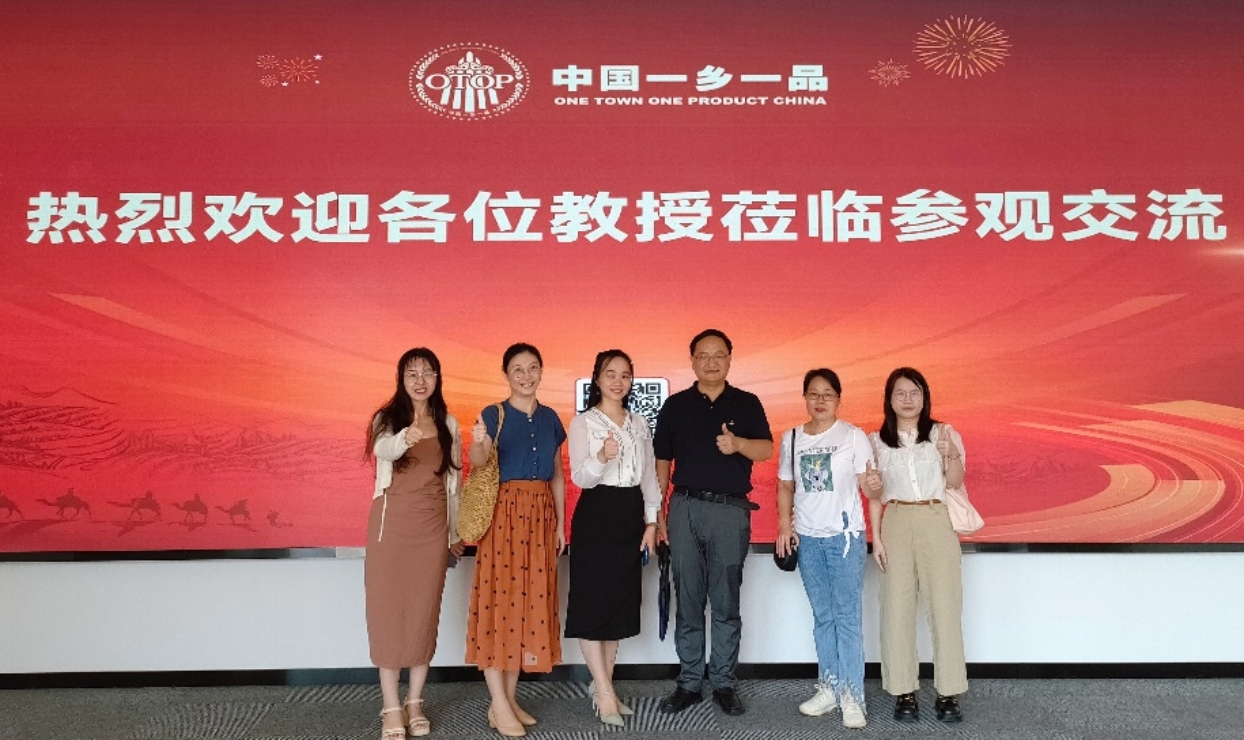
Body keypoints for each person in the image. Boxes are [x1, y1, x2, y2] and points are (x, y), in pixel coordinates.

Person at [654, 329, 773, 716]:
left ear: (729, 360)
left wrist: (738, 445)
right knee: (688, 599)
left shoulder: (747, 403)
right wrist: (658, 513)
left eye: (718, 355)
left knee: (725, 601)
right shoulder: (675, 406)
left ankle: (723, 682)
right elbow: (662, 462)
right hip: (685, 508)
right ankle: (689, 682)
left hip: (729, 511)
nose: (711, 362)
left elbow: (766, 449)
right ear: (692, 361)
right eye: (703, 355)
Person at [465, 343, 567, 738]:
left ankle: (507, 701)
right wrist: (478, 441)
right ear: (506, 375)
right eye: (518, 369)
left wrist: (559, 525)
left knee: (525, 607)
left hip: (540, 515)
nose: (526, 376)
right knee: (499, 606)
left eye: (532, 367)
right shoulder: (494, 414)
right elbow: (478, 461)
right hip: (504, 516)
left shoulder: (550, 418)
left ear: (541, 371)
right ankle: (498, 702)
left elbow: (556, 475)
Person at [365, 348, 465, 740]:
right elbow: (383, 450)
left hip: (432, 528)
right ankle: (391, 705)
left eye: (428, 373)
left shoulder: (448, 423)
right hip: (391, 527)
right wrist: (405, 436)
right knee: (387, 614)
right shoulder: (386, 420)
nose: (420, 380)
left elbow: (454, 485)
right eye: (412, 373)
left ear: (438, 378)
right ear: (401, 379)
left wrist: (454, 534)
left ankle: (415, 701)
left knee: (425, 613)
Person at [865, 367, 968, 723]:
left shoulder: (943, 433)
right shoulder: (876, 441)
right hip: (895, 520)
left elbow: (955, 482)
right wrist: (877, 538)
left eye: (915, 393)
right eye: (900, 393)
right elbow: (874, 494)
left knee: (945, 607)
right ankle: (903, 690)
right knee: (896, 607)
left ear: (925, 398)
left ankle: (948, 692)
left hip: (936, 518)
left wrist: (951, 454)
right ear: (889, 399)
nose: (908, 400)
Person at [566, 349, 661, 727]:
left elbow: (649, 476)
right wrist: (603, 457)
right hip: (596, 514)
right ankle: (605, 692)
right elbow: (580, 478)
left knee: (618, 603)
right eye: (610, 374)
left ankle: (604, 686)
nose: (618, 381)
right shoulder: (583, 423)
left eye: (625, 375)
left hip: (630, 514)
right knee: (593, 603)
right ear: (597, 379)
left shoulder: (640, 423)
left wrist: (651, 523)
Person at [775, 368, 873, 729]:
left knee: (847, 618)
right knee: (823, 617)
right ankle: (829, 688)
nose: (820, 400)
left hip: (844, 538)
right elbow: (785, 485)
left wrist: (875, 484)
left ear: (838, 399)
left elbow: (869, 487)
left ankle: (853, 696)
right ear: (805, 398)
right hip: (808, 539)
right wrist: (785, 524)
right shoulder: (792, 438)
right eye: (814, 394)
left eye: (827, 394)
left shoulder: (853, 436)